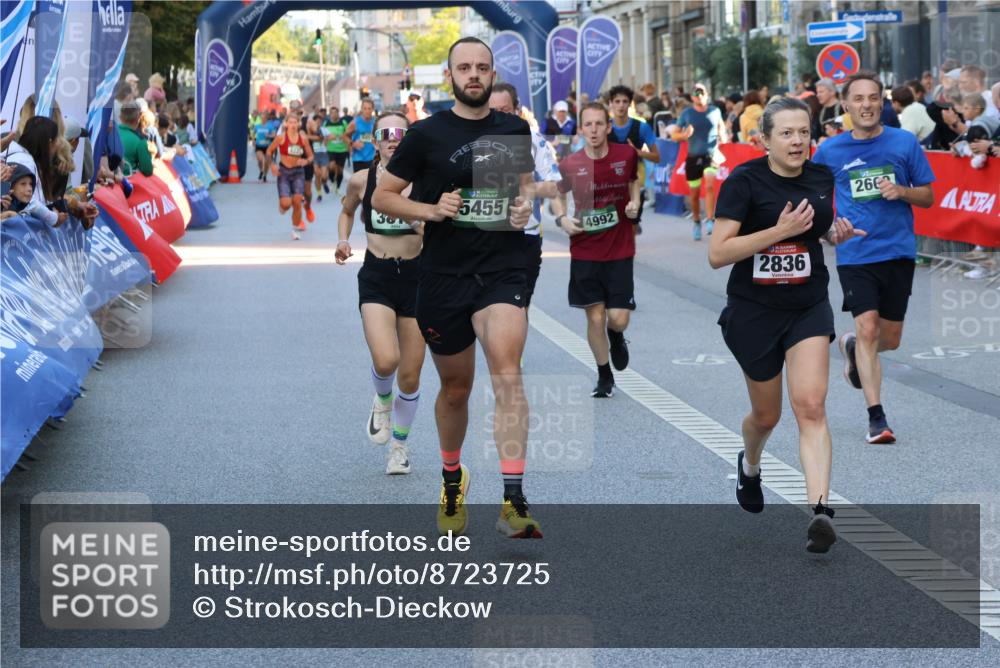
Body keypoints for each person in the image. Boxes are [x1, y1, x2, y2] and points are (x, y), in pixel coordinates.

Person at [372, 36, 540, 539]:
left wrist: (523, 207)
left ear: (492, 75)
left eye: (482, 67)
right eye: (464, 67)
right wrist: (431, 210)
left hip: (502, 269)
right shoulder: (426, 135)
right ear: (450, 76)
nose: (473, 74)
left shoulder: (512, 128)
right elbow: (383, 196)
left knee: (508, 373)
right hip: (443, 275)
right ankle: (452, 478)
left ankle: (513, 499)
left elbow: (519, 189)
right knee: (456, 388)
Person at [709, 97, 864, 553]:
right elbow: (718, 254)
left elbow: (814, 226)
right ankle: (750, 464)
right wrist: (776, 232)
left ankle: (820, 511)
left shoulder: (820, 176)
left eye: (804, 132)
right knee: (766, 415)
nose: (798, 141)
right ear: (765, 140)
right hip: (753, 311)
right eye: (787, 133)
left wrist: (831, 232)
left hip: (806, 305)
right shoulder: (743, 182)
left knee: (811, 405)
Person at [812, 71, 935, 444]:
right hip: (856, 252)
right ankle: (876, 418)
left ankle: (853, 348)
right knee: (867, 327)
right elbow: (812, 200)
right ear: (845, 104)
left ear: (882, 103)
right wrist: (829, 230)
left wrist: (902, 191)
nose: (866, 105)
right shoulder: (830, 151)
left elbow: (928, 195)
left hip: (897, 249)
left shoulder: (903, 143)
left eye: (873, 98)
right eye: (858, 99)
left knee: (890, 339)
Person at [335, 112, 425, 475]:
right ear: (375, 141)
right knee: (387, 360)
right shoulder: (362, 180)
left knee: (412, 375)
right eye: (385, 133)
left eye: (400, 133)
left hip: (418, 278)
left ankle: (399, 448)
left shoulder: (423, 182)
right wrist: (343, 239)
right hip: (377, 275)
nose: (392, 138)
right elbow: (346, 212)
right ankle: (382, 399)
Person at [550, 103, 641, 398]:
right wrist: (562, 218)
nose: (593, 130)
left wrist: (634, 204)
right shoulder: (571, 164)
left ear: (608, 127)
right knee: (595, 317)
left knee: (618, 318)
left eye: (599, 124)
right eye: (587, 125)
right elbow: (557, 195)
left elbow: (634, 182)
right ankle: (604, 376)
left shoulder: (625, 155)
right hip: (585, 249)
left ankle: (617, 337)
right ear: (580, 129)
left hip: (620, 247)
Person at [489, 83, 561, 309]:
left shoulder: (533, 139)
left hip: (525, 236)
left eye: (506, 110)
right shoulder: (475, 140)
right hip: (485, 235)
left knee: (519, 307)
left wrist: (524, 188)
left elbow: (554, 186)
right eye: (494, 111)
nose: (500, 116)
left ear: (517, 110)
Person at [4, 116, 97, 228]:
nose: (58, 144)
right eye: (56, 140)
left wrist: (76, 206)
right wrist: (54, 218)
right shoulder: (25, 160)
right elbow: (30, 203)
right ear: (49, 142)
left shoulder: (30, 159)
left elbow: (41, 199)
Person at [673, 82, 727, 240]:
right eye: (696, 93)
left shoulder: (715, 111)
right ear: (692, 97)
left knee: (710, 185)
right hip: (693, 157)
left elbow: (721, 128)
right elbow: (674, 135)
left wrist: (723, 135)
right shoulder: (687, 113)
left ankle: (710, 219)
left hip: (711, 155)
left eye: (702, 92)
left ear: (707, 95)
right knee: (694, 194)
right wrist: (684, 135)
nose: (699, 96)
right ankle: (697, 221)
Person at [607, 85, 659, 233]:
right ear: (611, 103)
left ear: (630, 104)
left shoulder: (641, 128)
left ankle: (633, 229)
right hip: (610, 183)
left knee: (632, 222)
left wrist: (638, 152)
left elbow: (657, 157)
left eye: (624, 101)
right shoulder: (604, 127)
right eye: (617, 101)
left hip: (634, 181)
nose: (621, 105)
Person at [265, 112, 314, 240]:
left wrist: (306, 161)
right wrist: (272, 165)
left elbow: (310, 155)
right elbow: (269, 151)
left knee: (297, 201)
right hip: (284, 172)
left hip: (298, 172)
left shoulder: (303, 139)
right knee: (286, 204)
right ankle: (282, 205)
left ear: (298, 124)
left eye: (295, 122)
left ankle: (294, 229)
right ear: (286, 124)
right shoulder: (280, 138)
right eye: (290, 122)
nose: (292, 125)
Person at [118, 101, 153, 177]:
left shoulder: (109, 132)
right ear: (139, 118)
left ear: (120, 117)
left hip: (105, 182)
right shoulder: (140, 141)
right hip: (127, 183)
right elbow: (148, 170)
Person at [346, 98, 377, 173]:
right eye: (365, 108)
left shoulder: (376, 122)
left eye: (369, 108)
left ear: (372, 109)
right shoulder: (355, 122)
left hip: (372, 158)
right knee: (360, 184)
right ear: (362, 109)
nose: (367, 111)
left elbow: (378, 138)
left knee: (371, 183)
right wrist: (353, 143)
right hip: (358, 158)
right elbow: (344, 136)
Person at [324, 107, 350, 194]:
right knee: (331, 166)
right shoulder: (326, 123)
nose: (333, 114)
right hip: (331, 149)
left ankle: (338, 187)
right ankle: (332, 180)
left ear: (338, 113)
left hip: (342, 150)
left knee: (340, 170)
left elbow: (347, 134)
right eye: (332, 113)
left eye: (335, 112)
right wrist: (326, 139)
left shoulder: (343, 123)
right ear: (330, 114)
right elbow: (323, 136)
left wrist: (340, 137)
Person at [307, 113, 330, 202]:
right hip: (314, 154)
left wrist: (327, 139)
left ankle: (324, 183)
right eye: (316, 122)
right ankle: (319, 194)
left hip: (323, 154)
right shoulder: (310, 130)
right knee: (317, 174)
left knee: (324, 176)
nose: (318, 123)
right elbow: (307, 137)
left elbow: (332, 136)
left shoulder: (324, 130)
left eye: (320, 121)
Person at [253, 111, 273, 181]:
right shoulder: (257, 126)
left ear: (266, 119)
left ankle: (265, 175)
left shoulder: (270, 126)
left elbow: (274, 135)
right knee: (260, 160)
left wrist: (269, 136)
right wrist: (253, 140)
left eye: (264, 118)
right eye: (262, 118)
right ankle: (261, 170)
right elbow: (253, 133)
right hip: (259, 145)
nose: (263, 119)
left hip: (268, 146)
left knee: (266, 162)